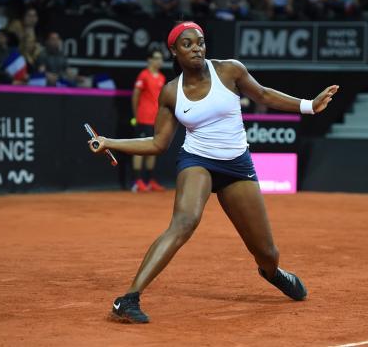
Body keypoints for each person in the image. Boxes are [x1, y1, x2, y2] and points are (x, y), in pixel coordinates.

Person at [88, 21, 339, 323]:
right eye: (188, 44)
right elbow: (157, 143)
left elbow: (263, 95)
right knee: (184, 221)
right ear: (174, 51)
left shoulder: (229, 70)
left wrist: (309, 105)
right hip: (198, 161)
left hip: (237, 166)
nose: (196, 48)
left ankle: (272, 272)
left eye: (200, 42)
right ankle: (128, 299)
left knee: (268, 253)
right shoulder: (170, 93)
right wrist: (108, 142)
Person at [130, 49, 166, 193]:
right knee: (139, 150)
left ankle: (150, 181)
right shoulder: (143, 75)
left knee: (153, 149)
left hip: (156, 120)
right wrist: (136, 115)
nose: (159, 61)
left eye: (161, 59)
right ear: (149, 60)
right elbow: (135, 96)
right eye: (156, 58)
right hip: (143, 118)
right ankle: (137, 181)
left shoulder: (162, 77)